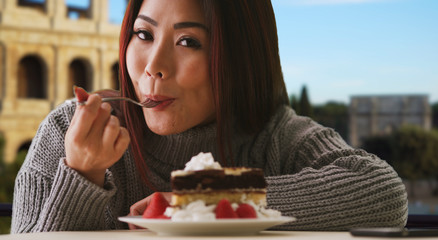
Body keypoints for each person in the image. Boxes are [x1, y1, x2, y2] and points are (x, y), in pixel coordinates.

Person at [11, 0, 408, 233]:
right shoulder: (68, 131)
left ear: (240, 58)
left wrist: (205, 198)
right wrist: (81, 174)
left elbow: (383, 193)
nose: (153, 66)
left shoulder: (275, 134)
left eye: (188, 41)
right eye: (144, 35)